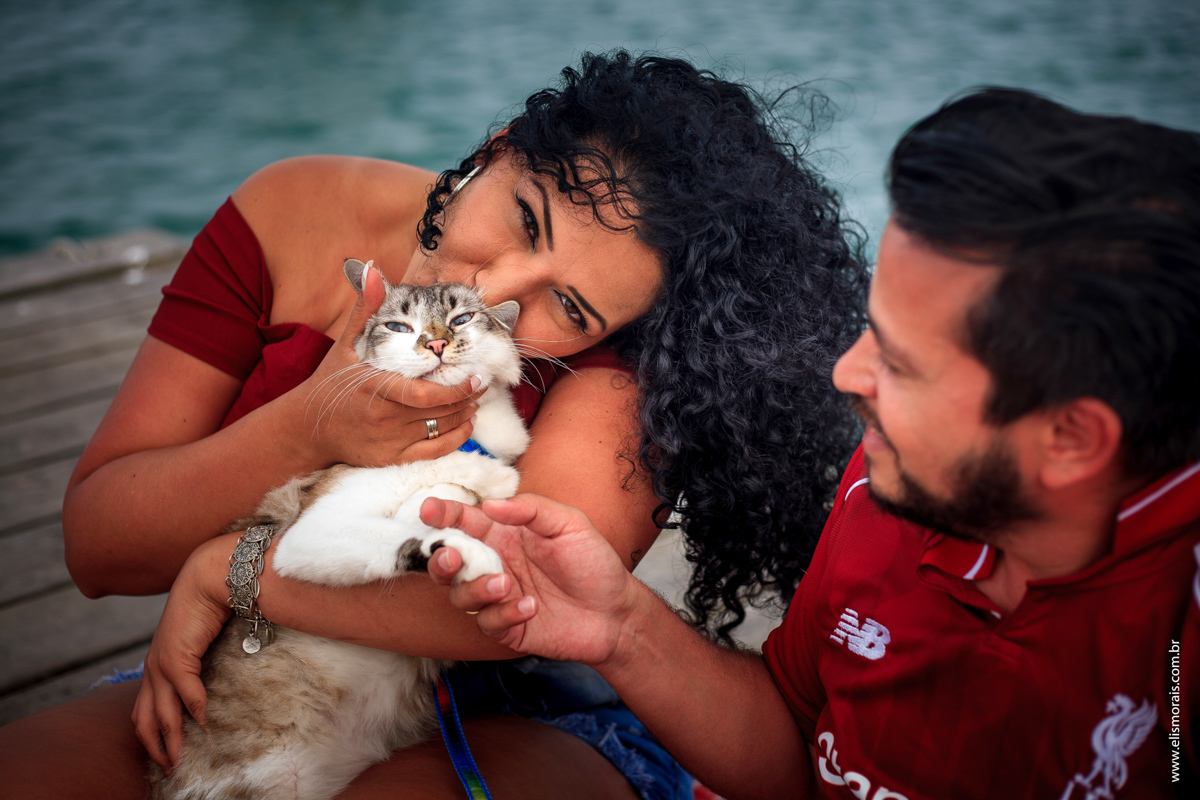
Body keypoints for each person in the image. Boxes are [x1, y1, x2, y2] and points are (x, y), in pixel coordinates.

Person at [0, 51, 869, 799]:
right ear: (495, 152)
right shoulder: (292, 210)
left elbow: (511, 605)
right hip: (256, 674)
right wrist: (308, 429)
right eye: (524, 218)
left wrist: (225, 568)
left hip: (531, 712)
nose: (494, 295)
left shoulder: (614, 368)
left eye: (565, 304)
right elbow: (99, 547)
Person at [424, 88, 1200, 799]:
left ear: (1071, 440)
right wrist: (622, 627)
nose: (846, 374)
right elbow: (798, 743)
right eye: (871, 331)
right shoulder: (890, 478)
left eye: (899, 363)